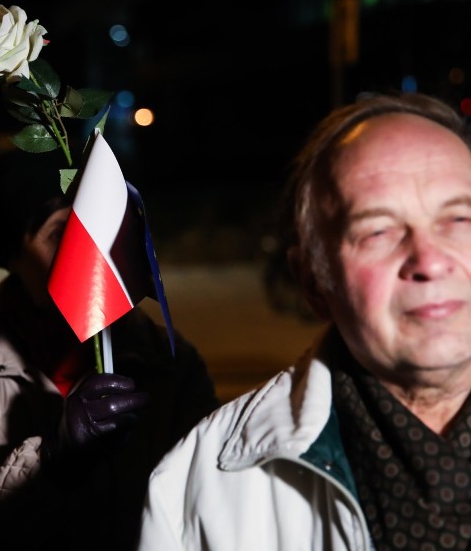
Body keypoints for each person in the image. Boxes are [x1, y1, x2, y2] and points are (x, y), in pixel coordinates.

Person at [138, 91, 471, 550]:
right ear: (314, 281)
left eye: (460, 219)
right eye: (378, 230)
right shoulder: (203, 487)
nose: (429, 261)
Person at [0, 149, 220, 551]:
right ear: (11, 255)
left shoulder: (169, 363)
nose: (85, 253)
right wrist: (52, 458)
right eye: (59, 234)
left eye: (96, 229)